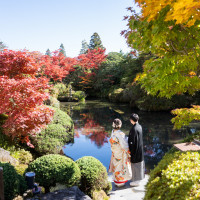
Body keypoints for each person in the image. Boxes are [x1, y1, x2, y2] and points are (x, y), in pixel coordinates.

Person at [109, 118, 132, 187]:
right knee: (121, 166)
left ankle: (116, 180)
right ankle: (121, 181)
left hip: (115, 152)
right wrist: (129, 151)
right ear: (120, 125)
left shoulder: (112, 132)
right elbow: (124, 145)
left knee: (116, 166)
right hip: (121, 153)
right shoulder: (120, 134)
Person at [128, 113, 145, 187]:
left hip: (135, 149)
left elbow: (132, 142)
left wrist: (130, 151)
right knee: (140, 164)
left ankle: (136, 181)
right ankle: (140, 178)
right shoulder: (139, 126)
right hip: (140, 148)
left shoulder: (134, 129)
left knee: (135, 165)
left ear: (132, 120)